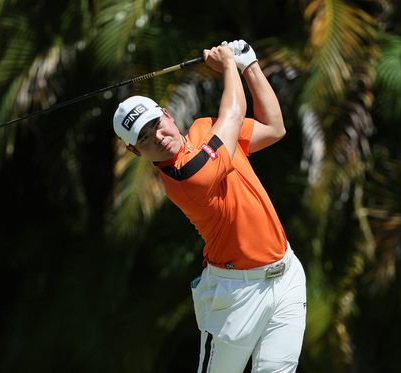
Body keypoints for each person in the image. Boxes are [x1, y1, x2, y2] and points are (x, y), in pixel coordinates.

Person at [112, 40, 306, 373]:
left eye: (155, 124)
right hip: (235, 295)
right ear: (135, 153)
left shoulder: (205, 128)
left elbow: (275, 128)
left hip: (286, 275)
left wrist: (249, 64)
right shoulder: (186, 178)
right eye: (143, 137)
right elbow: (233, 113)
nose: (157, 137)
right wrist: (229, 65)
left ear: (168, 115)